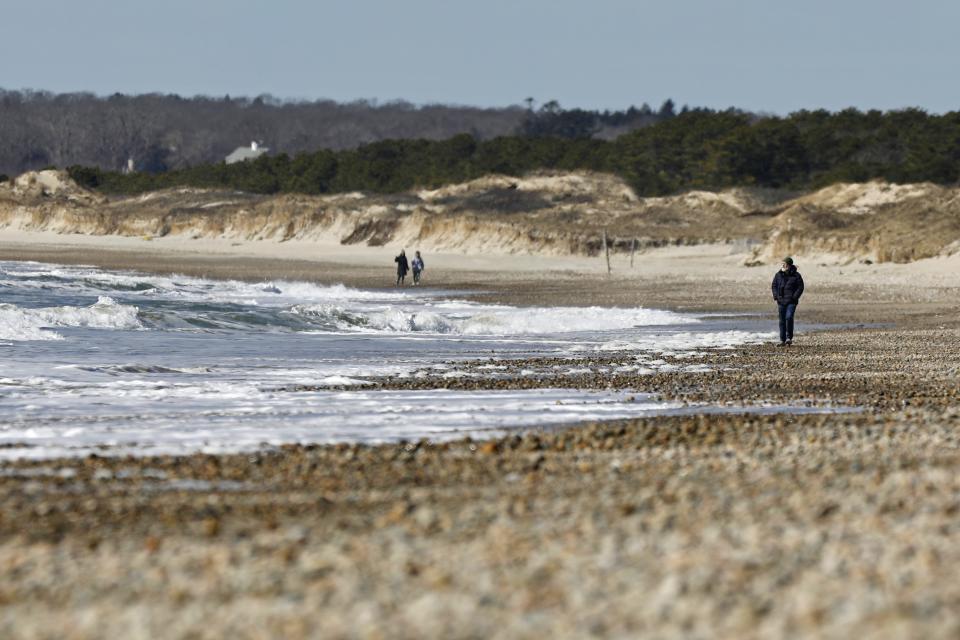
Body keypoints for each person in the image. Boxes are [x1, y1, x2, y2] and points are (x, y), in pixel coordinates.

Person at [771, 256, 804, 346]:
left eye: (784, 264)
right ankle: (782, 340)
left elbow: (800, 287)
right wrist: (776, 296)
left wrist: (794, 297)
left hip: (791, 301)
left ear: (788, 265)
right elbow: (774, 286)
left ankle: (789, 338)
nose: (783, 265)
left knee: (789, 318)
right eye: (782, 264)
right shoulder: (778, 275)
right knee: (782, 321)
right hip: (781, 301)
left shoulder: (797, 275)